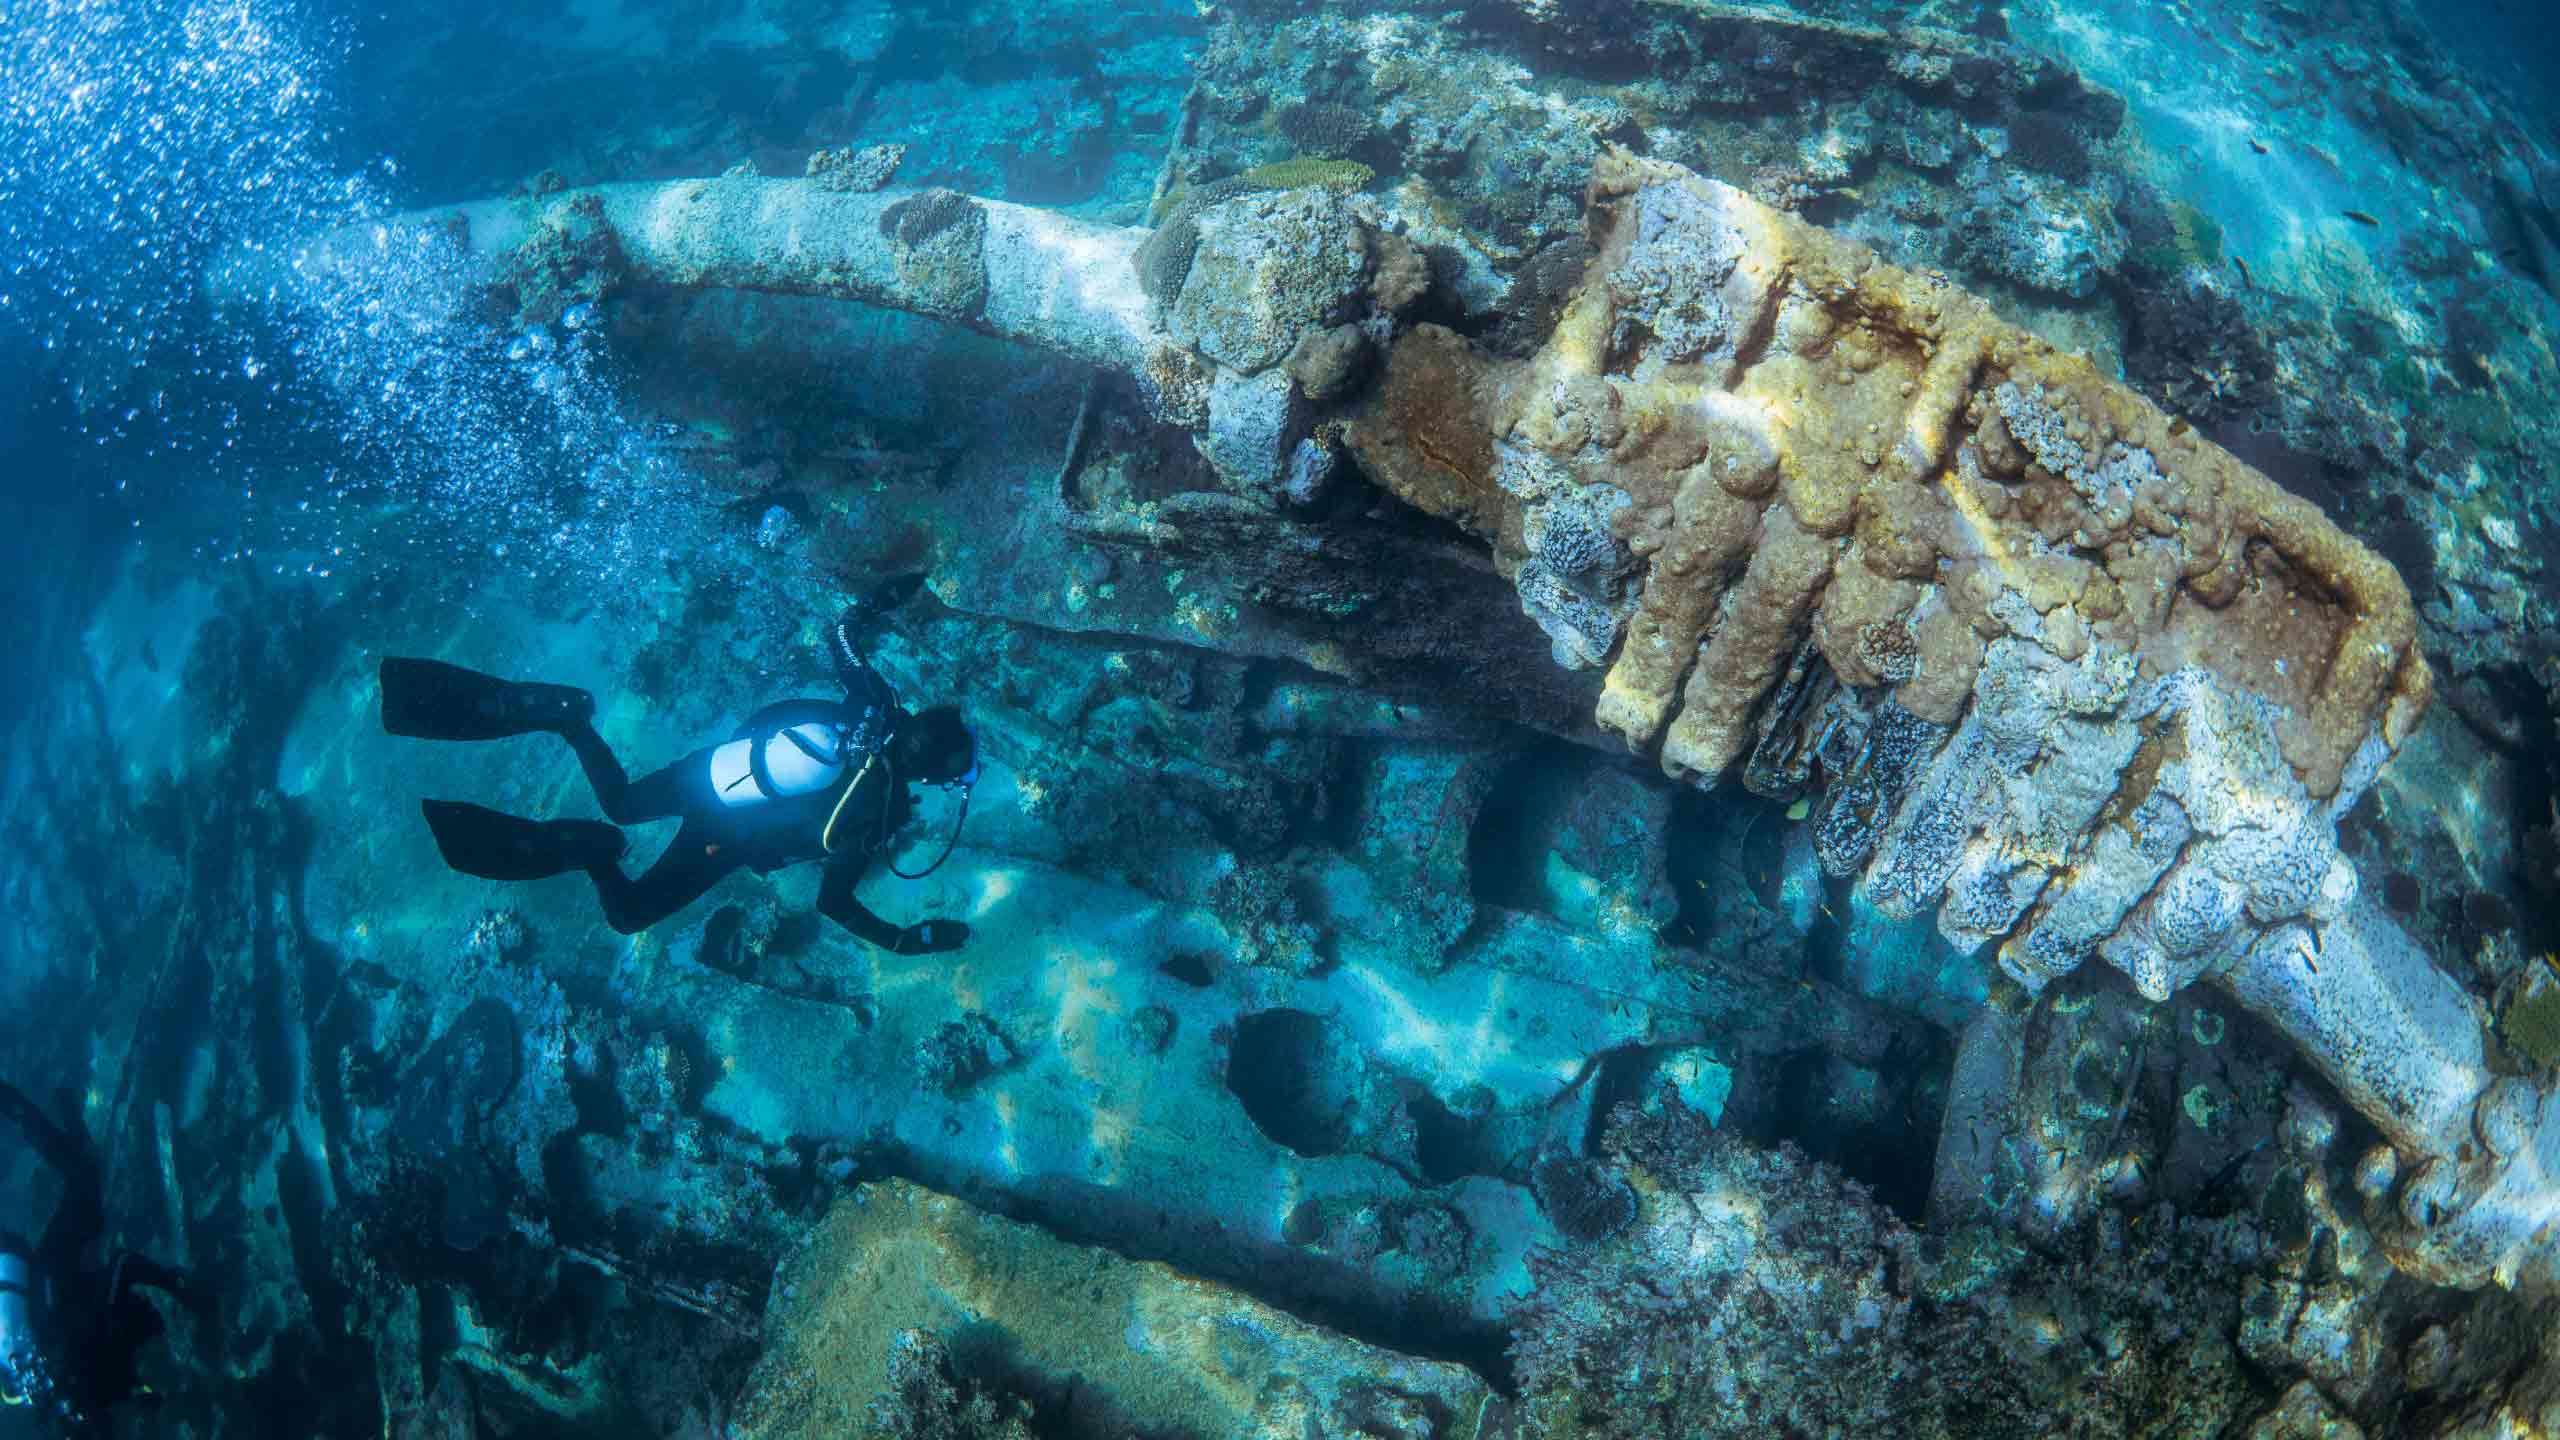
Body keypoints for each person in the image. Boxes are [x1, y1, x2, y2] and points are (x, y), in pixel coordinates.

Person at [382, 578, 975, 954]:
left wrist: (887, 596)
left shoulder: (875, 706)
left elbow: (842, 632)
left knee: (621, 801)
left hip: (714, 770)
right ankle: (594, 853)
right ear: (929, 776)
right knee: (629, 915)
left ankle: (566, 719)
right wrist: (903, 940)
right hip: (725, 836)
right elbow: (833, 903)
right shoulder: (877, 813)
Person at [0, 1081, 188, 1436]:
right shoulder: (73, 1394)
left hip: (50, 1274)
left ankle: (16, 1103)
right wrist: (142, 1393)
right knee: (86, 1183)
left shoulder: (89, 1370)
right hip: (48, 1281)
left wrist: (179, 1288)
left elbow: (123, 1264)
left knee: (86, 1180)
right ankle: (69, 1118)